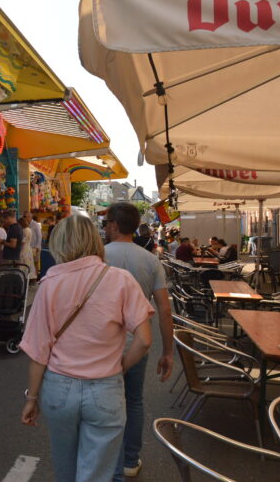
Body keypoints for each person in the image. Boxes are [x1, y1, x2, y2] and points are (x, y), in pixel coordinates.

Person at [20, 214, 153, 482]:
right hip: (105, 386)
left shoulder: (49, 284)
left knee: (65, 468)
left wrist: (32, 398)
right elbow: (145, 339)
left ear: (59, 243)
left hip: (59, 388)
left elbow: (38, 352)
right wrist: (121, 366)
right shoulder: (121, 279)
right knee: (98, 474)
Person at [104, 202, 174, 480]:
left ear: (113, 225)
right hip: (138, 340)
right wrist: (168, 351)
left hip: (102, 343)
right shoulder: (150, 260)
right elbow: (164, 309)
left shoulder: (97, 256)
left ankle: (104, 457)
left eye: (107, 222)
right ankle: (129, 460)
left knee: (105, 400)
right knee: (133, 401)